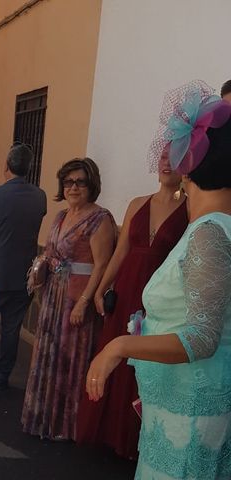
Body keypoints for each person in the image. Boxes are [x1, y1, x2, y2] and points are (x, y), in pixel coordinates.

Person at [86, 81, 231, 479]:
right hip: (181, 403)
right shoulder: (209, 227)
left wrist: (119, 345)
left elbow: (201, 336)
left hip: (191, 411)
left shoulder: (210, 232)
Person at [75, 149, 188, 459]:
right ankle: (108, 433)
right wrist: (100, 287)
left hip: (160, 299)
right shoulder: (137, 203)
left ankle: (136, 439)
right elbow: (121, 251)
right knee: (116, 356)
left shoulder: (192, 209)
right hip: (126, 293)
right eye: (163, 156)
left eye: (176, 157)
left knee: (146, 364)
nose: (167, 162)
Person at [21, 157, 116, 441]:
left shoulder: (101, 219)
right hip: (53, 296)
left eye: (80, 182)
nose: (73, 187)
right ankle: (44, 418)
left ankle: (65, 425)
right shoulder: (61, 216)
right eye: (68, 182)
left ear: (91, 185)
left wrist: (85, 301)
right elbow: (51, 252)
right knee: (49, 353)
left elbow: (103, 264)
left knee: (69, 358)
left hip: (76, 298)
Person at [0, 143, 46, 390]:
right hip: (24, 274)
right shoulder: (39, 196)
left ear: (6, 166)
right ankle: (2, 374)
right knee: (12, 328)